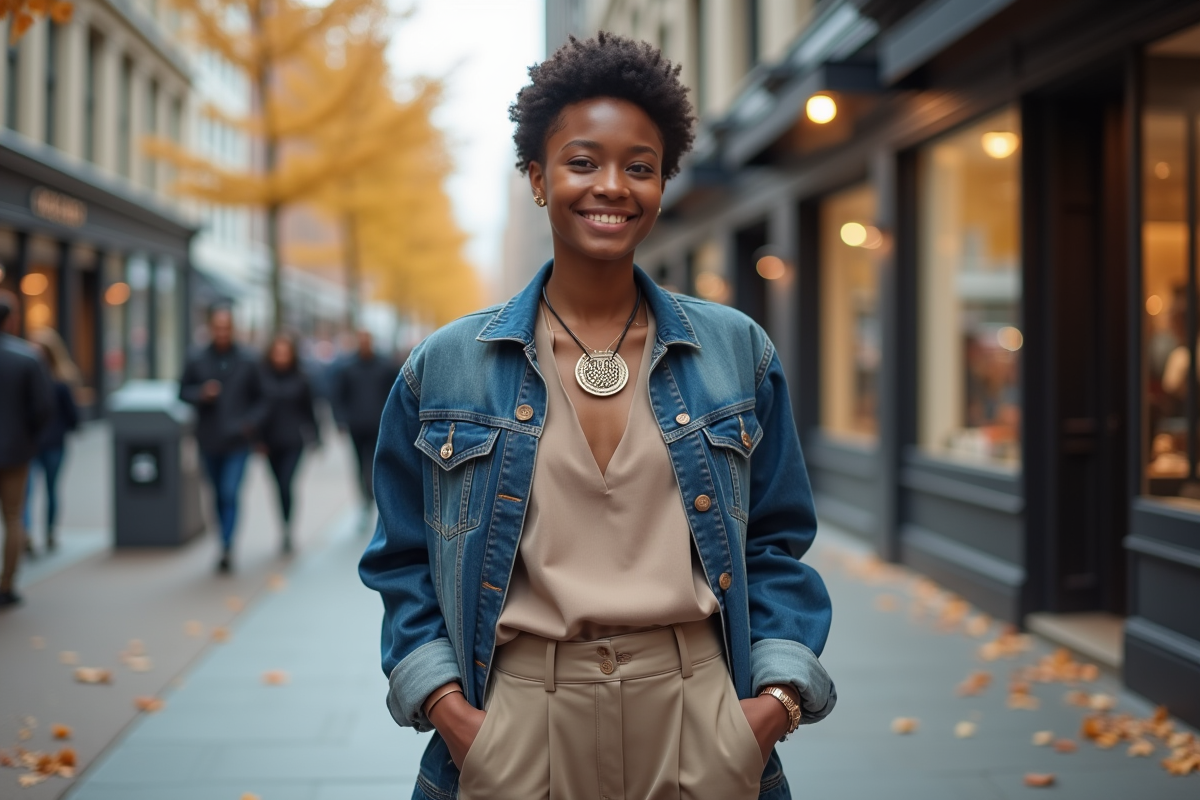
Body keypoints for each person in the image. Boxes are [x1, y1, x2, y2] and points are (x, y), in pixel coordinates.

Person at [359, 34, 834, 800]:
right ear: (537, 177)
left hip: (700, 710)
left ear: (663, 183)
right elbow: (401, 560)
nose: (611, 186)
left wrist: (774, 703)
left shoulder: (735, 350)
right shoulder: (445, 367)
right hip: (517, 719)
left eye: (639, 167)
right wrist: (448, 710)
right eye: (583, 162)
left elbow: (777, 540)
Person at [179, 305, 264, 573]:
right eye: (218, 327)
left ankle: (227, 545)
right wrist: (200, 394)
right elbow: (181, 391)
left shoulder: (248, 360)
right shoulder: (196, 358)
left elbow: (262, 398)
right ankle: (222, 538)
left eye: (227, 327)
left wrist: (250, 423)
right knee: (216, 494)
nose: (222, 332)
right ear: (210, 328)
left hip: (238, 441)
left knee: (230, 492)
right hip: (209, 439)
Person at [0, 291, 52, 608]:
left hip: (17, 447)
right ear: (11, 320)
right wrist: (27, 436)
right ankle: (6, 584)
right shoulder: (26, 358)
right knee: (14, 516)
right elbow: (43, 408)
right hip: (16, 451)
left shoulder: (27, 358)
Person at [258, 333, 320, 555]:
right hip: (270, 441)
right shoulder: (261, 378)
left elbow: (310, 410)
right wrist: (257, 439)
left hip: (294, 441)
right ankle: (283, 526)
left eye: (285, 353)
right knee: (277, 486)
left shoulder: (302, 379)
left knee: (286, 483)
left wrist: (316, 436)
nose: (281, 357)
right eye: (277, 353)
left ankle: (288, 529)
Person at [23, 332, 79, 554]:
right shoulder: (30, 379)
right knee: (28, 492)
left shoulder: (59, 383)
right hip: (34, 445)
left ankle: (48, 532)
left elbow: (72, 416)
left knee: (49, 490)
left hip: (49, 444)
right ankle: (27, 534)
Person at [332, 330, 397, 509]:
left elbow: (394, 393)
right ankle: (365, 494)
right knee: (360, 461)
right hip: (356, 424)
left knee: (377, 460)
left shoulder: (385, 367)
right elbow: (338, 396)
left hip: (379, 424)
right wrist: (340, 420)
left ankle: (375, 492)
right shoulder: (348, 368)